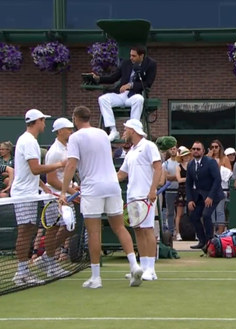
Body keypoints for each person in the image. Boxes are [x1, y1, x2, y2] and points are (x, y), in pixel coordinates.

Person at [61, 106, 143, 288]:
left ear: (75, 119)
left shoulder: (75, 137)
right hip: (112, 185)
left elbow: (71, 164)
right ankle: (134, 265)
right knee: (119, 227)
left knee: (94, 232)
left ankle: (96, 277)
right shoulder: (102, 135)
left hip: (92, 188)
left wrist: (63, 191)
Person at [11, 109, 65, 287]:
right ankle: (22, 273)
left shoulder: (28, 140)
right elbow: (35, 169)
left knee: (28, 230)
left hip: (29, 192)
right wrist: (58, 164)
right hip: (24, 194)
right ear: (38, 121)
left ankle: (23, 271)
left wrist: (43, 188)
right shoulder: (29, 141)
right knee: (25, 231)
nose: (45, 124)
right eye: (43, 120)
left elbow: (29, 171)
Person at [118, 119, 162, 281]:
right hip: (132, 197)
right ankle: (142, 267)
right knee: (137, 230)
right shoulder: (130, 152)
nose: (123, 132)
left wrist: (152, 190)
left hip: (146, 196)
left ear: (133, 131)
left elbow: (158, 167)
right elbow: (121, 174)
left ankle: (151, 269)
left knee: (147, 229)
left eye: (125, 129)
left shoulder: (149, 146)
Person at [91, 45, 157, 142]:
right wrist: (98, 78)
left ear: (141, 55)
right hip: (121, 94)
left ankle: (133, 129)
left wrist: (131, 85)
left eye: (134, 56)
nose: (131, 58)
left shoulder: (151, 64)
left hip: (135, 94)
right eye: (130, 55)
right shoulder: (126, 63)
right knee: (103, 99)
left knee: (139, 99)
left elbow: (148, 83)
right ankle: (113, 130)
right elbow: (113, 78)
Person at [39, 117, 78, 279]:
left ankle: (46, 258)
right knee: (53, 230)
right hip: (55, 197)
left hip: (66, 194)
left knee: (71, 228)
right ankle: (50, 262)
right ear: (60, 131)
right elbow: (52, 179)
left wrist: (73, 188)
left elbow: (66, 174)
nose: (71, 131)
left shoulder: (68, 147)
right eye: (68, 129)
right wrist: (69, 191)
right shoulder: (54, 152)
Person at [185, 141, 224, 249]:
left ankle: (210, 242)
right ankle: (202, 241)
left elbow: (217, 179)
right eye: (194, 149)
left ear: (203, 151)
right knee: (193, 216)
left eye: (198, 149)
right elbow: (188, 183)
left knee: (206, 215)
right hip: (199, 195)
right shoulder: (191, 164)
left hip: (213, 194)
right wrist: (190, 200)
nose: (196, 151)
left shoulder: (210, 162)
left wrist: (210, 196)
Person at [174, 146, 191, 240]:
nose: (187, 157)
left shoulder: (192, 165)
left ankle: (194, 232)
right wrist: (189, 179)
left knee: (192, 212)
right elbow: (179, 179)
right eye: (184, 155)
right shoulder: (178, 167)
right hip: (181, 191)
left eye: (188, 155)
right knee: (179, 213)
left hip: (191, 191)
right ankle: (178, 233)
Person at [162, 145, 179, 235]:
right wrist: (177, 177)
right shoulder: (166, 163)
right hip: (169, 190)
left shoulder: (180, 162)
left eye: (174, 149)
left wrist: (175, 177)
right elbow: (166, 177)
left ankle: (179, 231)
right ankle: (171, 231)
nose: (173, 151)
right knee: (170, 211)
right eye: (171, 149)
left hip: (180, 190)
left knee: (180, 213)